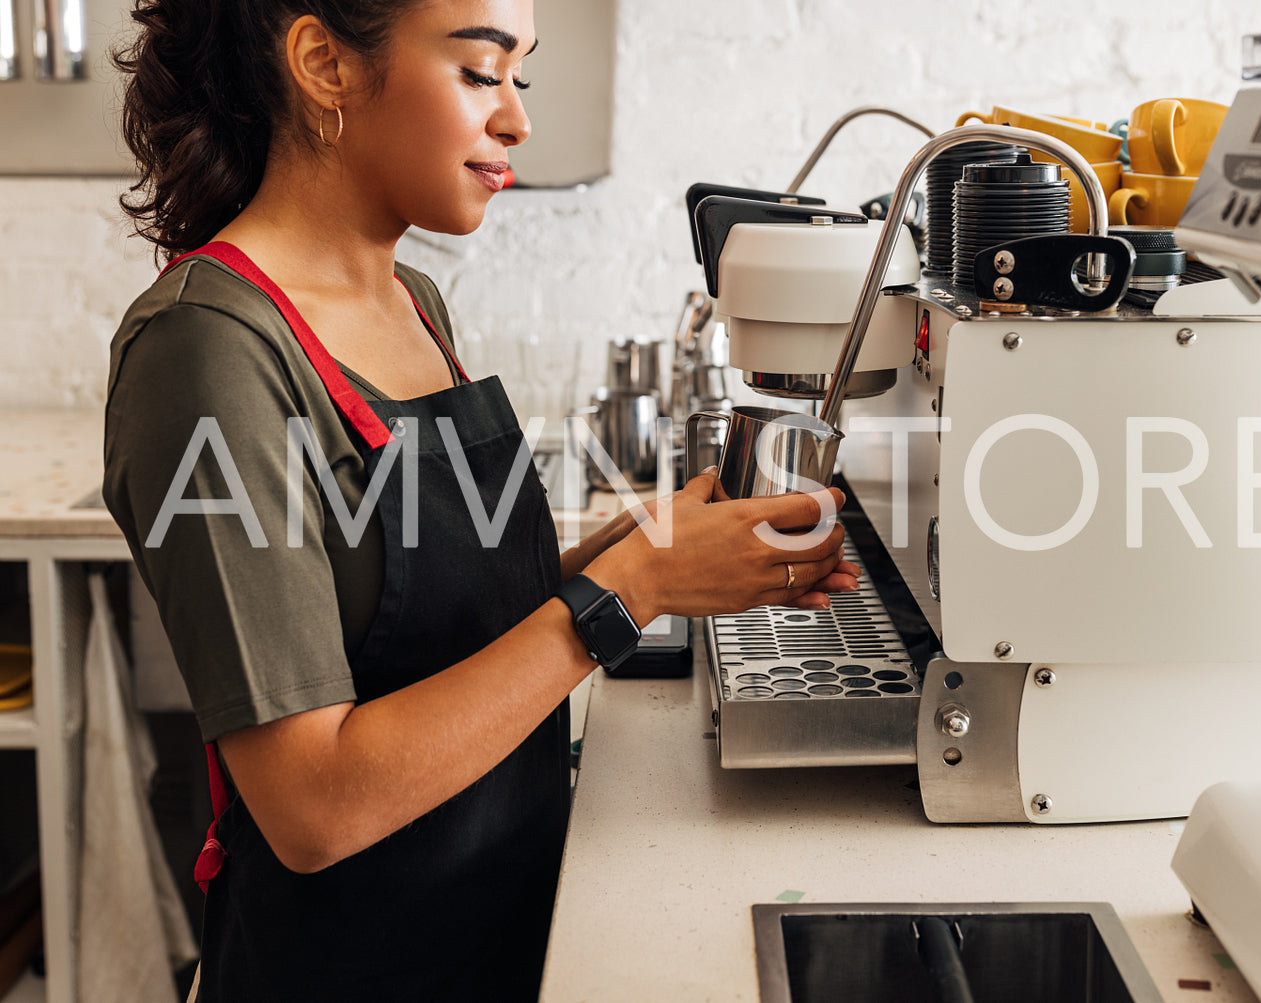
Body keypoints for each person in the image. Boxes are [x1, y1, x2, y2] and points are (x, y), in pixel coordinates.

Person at [102, 1, 858, 998]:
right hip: (353, 966)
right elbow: (313, 803)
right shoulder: (206, 349)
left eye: (522, 78)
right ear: (324, 64)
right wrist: (627, 592)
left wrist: (648, 549)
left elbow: (431, 622)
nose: (515, 121)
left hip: (500, 928)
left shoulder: (413, 301)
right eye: (477, 72)